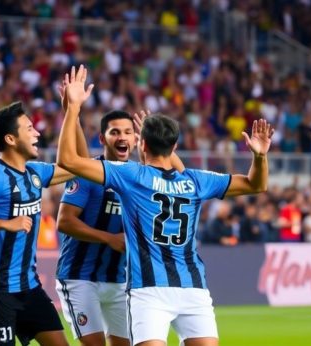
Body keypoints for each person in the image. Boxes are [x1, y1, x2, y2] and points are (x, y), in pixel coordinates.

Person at [57, 65, 273, 346]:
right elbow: (257, 185)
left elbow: (69, 161)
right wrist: (259, 157)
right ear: (174, 147)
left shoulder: (133, 176)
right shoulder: (196, 180)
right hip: (193, 289)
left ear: (141, 144)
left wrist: (72, 108)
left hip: (149, 290)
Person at [0, 99, 87, 345]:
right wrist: (6, 224)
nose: (37, 133)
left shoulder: (35, 172)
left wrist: (72, 111)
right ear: (11, 140)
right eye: (28, 129)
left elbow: (78, 165)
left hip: (29, 285)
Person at [55, 109, 135, 346]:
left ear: (136, 138)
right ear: (102, 139)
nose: (122, 137)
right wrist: (109, 238)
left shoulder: (138, 177)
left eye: (128, 132)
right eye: (115, 132)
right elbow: (65, 221)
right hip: (79, 277)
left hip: (118, 279)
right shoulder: (87, 174)